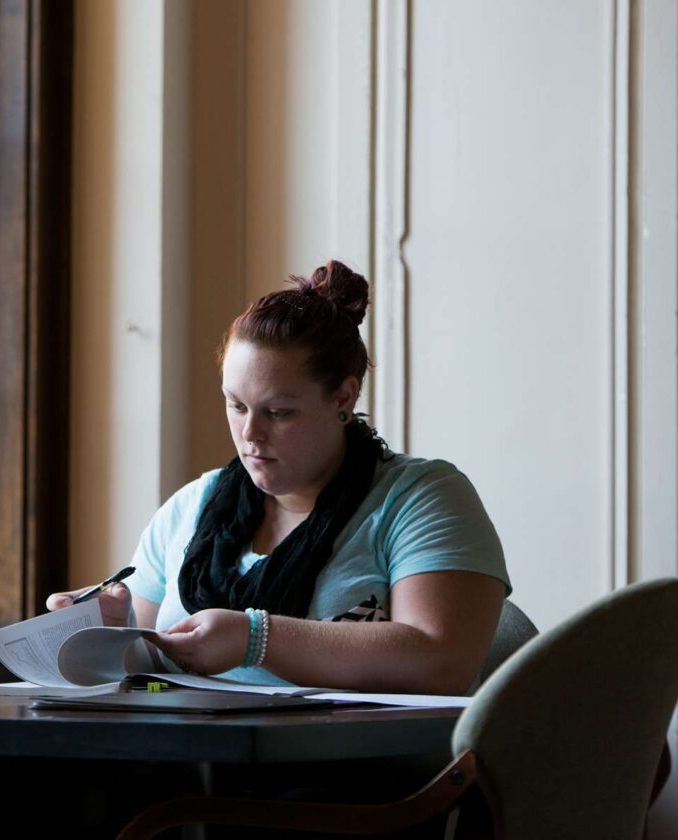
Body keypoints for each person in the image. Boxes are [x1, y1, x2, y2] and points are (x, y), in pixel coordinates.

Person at [48, 259, 509, 694]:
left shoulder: (420, 498)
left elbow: (443, 660)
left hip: (352, 770)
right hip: (190, 759)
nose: (251, 433)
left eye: (280, 412)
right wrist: (110, 628)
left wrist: (256, 638)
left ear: (345, 397)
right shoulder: (192, 506)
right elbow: (148, 674)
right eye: (237, 405)